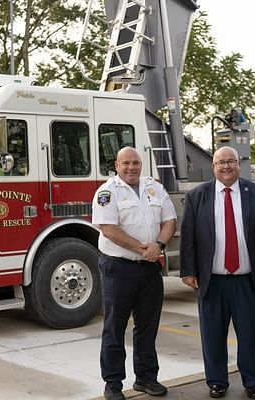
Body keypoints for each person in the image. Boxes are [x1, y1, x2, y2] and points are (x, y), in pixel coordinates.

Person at [180, 146, 255, 400]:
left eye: (231, 162)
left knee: (250, 334)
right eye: (220, 162)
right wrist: (188, 270)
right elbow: (188, 238)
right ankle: (217, 381)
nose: (226, 167)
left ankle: (252, 382)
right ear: (213, 166)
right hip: (211, 280)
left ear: (239, 164)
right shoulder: (197, 196)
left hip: (248, 279)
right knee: (213, 335)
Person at [92, 147, 177, 400]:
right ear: (117, 165)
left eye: (136, 163)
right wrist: (143, 249)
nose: (132, 167)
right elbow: (108, 229)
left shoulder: (154, 188)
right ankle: (114, 384)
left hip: (150, 269)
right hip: (119, 268)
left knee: (147, 326)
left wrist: (158, 246)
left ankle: (146, 378)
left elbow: (170, 220)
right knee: (114, 327)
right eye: (126, 163)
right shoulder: (107, 192)